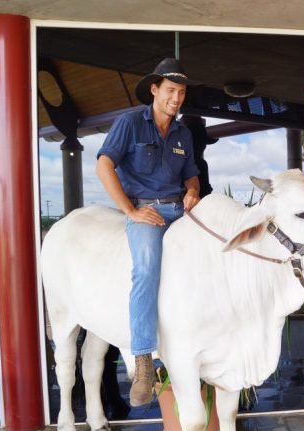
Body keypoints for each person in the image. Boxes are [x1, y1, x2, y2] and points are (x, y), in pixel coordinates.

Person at [95, 58, 201, 406]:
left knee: (208, 261)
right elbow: (103, 164)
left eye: (181, 92)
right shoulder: (129, 123)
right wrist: (130, 210)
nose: (176, 98)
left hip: (179, 210)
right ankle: (142, 359)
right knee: (146, 269)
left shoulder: (183, 133)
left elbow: (191, 173)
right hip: (146, 210)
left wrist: (193, 191)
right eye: (171, 90)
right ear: (155, 89)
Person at [180, 115, 218, 198]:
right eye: (198, 143)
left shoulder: (201, 164)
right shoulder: (199, 164)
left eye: (201, 143)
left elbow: (205, 193)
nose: (201, 146)